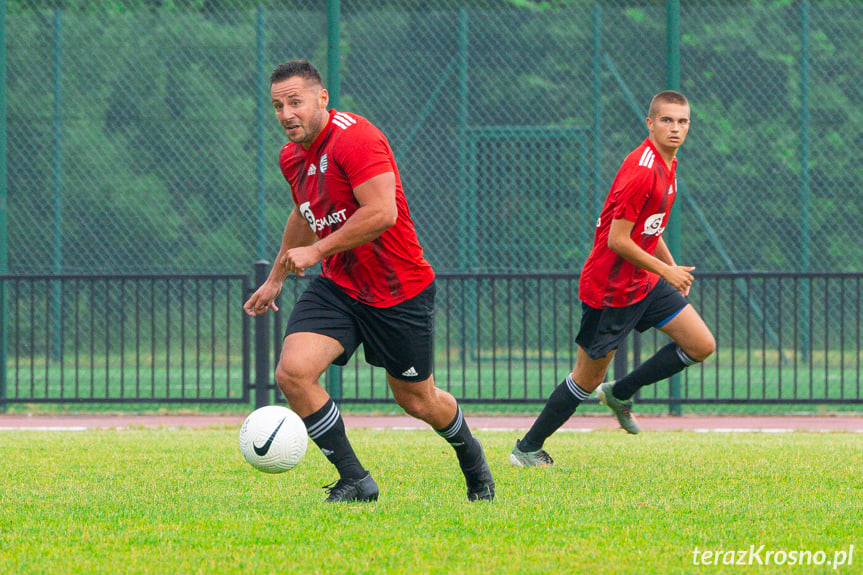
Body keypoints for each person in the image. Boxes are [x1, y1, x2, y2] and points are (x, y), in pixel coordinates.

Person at [244, 60, 494, 502]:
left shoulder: (356, 139)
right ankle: (356, 480)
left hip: (399, 291)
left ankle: (472, 458)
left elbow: (382, 214)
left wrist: (317, 251)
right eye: (278, 105)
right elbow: (305, 213)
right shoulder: (292, 156)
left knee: (419, 401)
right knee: (293, 373)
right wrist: (276, 277)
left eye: (296, 102)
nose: (286, 114)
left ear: (322, 98)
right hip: (340, 286)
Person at [510, 90, 716, 467]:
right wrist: (666, 271)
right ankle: (527, 448)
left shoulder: (668, 163)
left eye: (682, 121)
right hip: (610, 291)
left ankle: (621, 392)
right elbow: (617, 240)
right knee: (584, 381)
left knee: (701, 344)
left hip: (644, 281)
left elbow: (648, 231)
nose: (675, 128)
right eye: (667, 120)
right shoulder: (642, 170)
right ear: (650, 123)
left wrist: (670, 268)